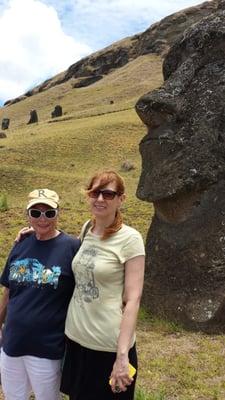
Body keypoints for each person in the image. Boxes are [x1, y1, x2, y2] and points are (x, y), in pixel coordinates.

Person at [60, 170, 145, 400]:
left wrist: (122, 356)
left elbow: (133, 300)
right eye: (95, 192)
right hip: (77, 341)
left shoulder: (130, 239)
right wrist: (34, 231)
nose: (100, 199)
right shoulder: (88, 228)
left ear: (121, 199)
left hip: (108, 348)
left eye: (108, 194)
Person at [0, 188, 80, 400]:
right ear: (28, 216)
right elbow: (8, 290)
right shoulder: (20, 244)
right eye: (36, 213)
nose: (42, 219)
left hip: (46, 347)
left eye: (49, 213)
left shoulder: (72, 247)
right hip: (12, 343)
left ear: (58, 214)